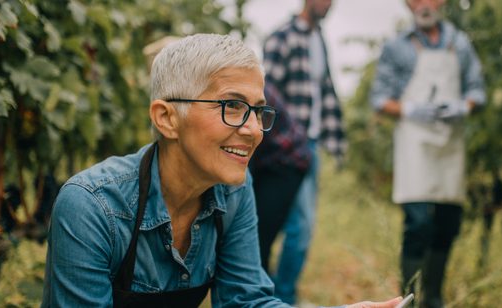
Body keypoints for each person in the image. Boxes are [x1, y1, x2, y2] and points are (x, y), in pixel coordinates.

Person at [42, 33, 402, 308]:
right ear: (167, 118)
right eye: (232, 105)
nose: (254, 129)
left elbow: (246, 301)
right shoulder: (91, 207)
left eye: (259, 111)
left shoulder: (234, 189)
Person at [370, 0, 486, 307]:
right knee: (418, 222)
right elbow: (380, 98)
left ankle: (433, 297)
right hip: (415, 143)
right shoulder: (397, 47)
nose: (423, 4)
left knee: (448, 221)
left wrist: (464, 106)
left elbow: (477, 90)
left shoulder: (459, 43)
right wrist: (411, 109)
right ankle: (408, 297)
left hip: (450, 143)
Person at [262, 0, 347, 304]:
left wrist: (336, 142)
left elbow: (325, 94)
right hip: (284, 153)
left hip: (310, 147)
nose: (329, 4)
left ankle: (279, 293)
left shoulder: (319, 40)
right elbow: (266, 96)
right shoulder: (281, 37)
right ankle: (279, 296)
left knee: (299, 228)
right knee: (292, 226)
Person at [250, 82, 312, 273]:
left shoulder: (252, 88)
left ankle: (262, 295)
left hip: (287, 161)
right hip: (265, 160)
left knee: (259, 238)